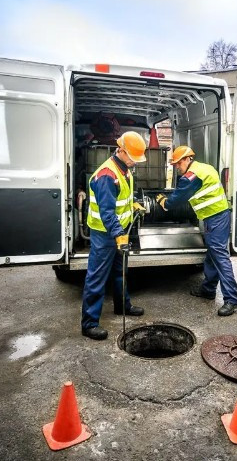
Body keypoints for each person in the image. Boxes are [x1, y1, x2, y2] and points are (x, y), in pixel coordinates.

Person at [156, 146, 237, 316]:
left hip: (215, 218)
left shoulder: (190, 177)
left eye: (179, 163)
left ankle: (232, 299)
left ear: (188, 159)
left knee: (220, 257)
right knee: (213, 255)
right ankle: (208, 290)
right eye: (175, 164)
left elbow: (175, 201)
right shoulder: (206, 168)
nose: (177, 167)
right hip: (219, 215)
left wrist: (163, 202)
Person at [81, 131, 147, 340]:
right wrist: (118, 234)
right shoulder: (107, 176)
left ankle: (122, 306)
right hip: (105, 234)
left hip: (119, 230)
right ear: (121, 150)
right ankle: (89, 323)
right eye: (133, 158)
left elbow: (121, 199)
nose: (135, 162)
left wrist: (133, 204)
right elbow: (107, 212)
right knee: (97, 277)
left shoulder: (124, 168)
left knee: (121, 272)